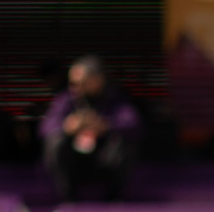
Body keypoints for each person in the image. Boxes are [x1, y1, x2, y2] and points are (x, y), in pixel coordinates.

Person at [38, 56, 139, 200]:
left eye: (81, 83)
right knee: (55, 143)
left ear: (97, 80)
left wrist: (105, 125)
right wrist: (67, 127)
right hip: (74, 159)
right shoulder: (66, 99)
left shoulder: (115, 98)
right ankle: (67, 198)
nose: (76, 88)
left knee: (125, 144)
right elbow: (45, 127)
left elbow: (133, 123)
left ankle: (114, 199)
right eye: (73, 83)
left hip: (104, 158)